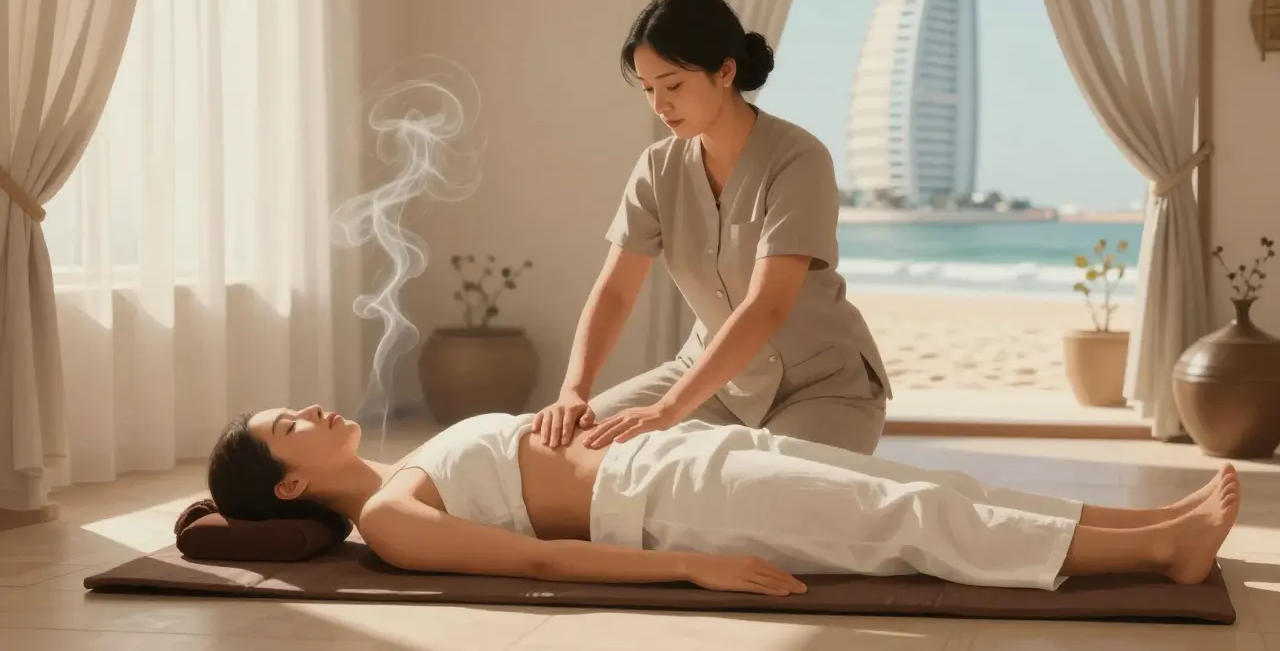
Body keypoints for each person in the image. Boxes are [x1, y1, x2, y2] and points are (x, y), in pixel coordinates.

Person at [207, 404, 1240, 596]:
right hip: (670, 511)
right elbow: (536, 562)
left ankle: (1151, 526)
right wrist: (687, 565)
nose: (308, 407)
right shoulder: (388, 520)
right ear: (292, 483)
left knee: (925, 484)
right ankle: (1156, 561)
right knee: (904, 524)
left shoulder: (404, 460)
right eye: (286, 426)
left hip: (687, 456)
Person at [532, 0, 893, 456]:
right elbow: (616, 291)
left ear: (725, 71)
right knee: (576, 447)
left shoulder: (799, 159)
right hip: (710, 378)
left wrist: (669, 410)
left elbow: (767, 305)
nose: (660, 104)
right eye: (648, 89)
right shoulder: (657, 168)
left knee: (757, 498)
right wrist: (573, 391)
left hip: (820, 386)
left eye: (674, 85)